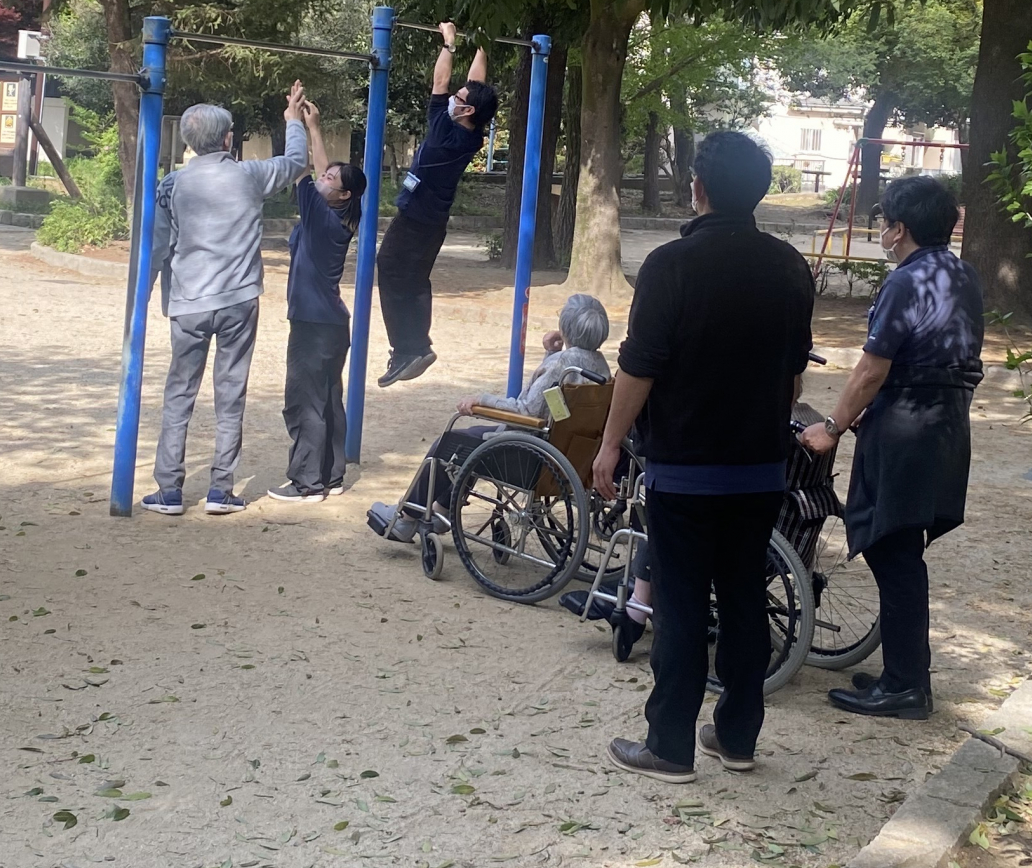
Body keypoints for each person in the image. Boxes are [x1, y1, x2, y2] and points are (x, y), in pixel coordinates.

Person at [589, 130, 814, 779]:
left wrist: (610, 444)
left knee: (681, 603)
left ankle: (669, 745)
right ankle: (738, 737)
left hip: (684, 465)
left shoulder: (671, 265)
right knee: (744, 598)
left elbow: (639, 368)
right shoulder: (790, 268)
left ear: (699, 188)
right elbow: (794, 373)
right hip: (760, 465)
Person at [797, 171, 983, 718]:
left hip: (905, 428)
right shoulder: (963, 274)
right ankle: (905, 671)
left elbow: (871, 370)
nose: (881, 230)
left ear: (899, 229)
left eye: (884, 221)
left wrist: (832, 426)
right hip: (947, 425)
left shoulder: (906, 281)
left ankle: (906, 685)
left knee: (892, 549)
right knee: (901, 549)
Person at [141, 86, 309, 517]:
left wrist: (142, 297)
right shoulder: (248, 175)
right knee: (230, 393)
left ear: (187, 141)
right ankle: (221, 489)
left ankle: (169, 489)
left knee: (179, 393)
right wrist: (292, 120)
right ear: (228, 139)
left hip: (189, 300)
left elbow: (157, 247)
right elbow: (295, 162)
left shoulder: (172, 184)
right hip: (238, 298)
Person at [365, 293, 611, 542]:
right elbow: (549, 403)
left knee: (449, 444)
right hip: (566, 456)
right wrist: (551, 353)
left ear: (565, 327)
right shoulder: (600, 367)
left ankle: (405, 517)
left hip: (527, 456)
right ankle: (441, 511)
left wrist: (482, 400)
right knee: (472, 441)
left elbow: (527, 411)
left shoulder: (562, 364)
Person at [376, 23, 498, 385]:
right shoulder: (470, 135)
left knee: (390, 268)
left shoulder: (445, 130)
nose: (451, 99)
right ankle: (416, 346)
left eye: (458, 99)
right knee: (414, 279)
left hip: (415, 218)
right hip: (433, 221)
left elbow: (440, 81)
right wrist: (482, 45)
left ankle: (407, 348)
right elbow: (474, 86)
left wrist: (449, 43)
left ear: (466, 110)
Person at [269, 97, 367, 502]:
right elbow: (325, 172)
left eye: (329, 179)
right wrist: (314, 127)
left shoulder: (320, 215)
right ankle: (331, 475)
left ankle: (307, 483)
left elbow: (300, 168)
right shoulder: (336, 215)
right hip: (330, 324)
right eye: (325, 176)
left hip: (312, 325)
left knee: (303, 402)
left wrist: (292, 122)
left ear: (342, 195)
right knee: (327, 400)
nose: (322, 178)